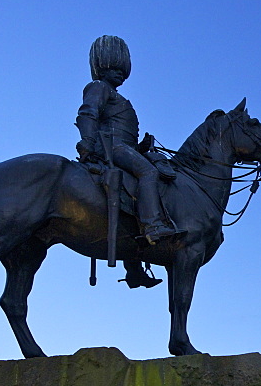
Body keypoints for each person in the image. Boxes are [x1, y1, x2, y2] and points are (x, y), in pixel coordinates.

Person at [76, 35, 183, 288]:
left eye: (123, 71)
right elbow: (87, 114)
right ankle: (153, 226)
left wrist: (142, 147)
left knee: (138, 183)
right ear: (103, 67)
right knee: (148, 173)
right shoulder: (98, 87)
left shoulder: (115, 94)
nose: (121, 75)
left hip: (124, 147)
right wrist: (87, 144)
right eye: (115, 69)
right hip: (111, 148)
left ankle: (134, 268)